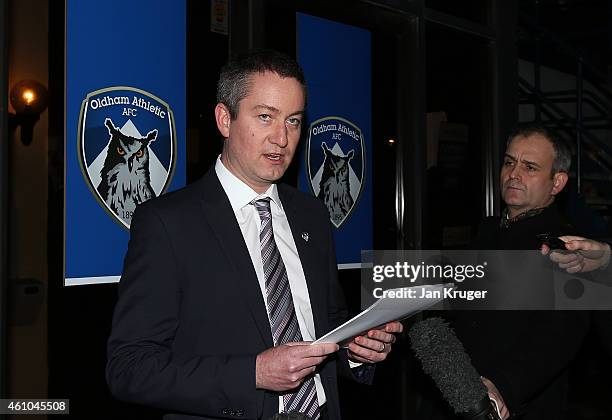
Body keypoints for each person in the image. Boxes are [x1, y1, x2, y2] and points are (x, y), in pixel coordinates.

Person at [106, 50, 402, 420]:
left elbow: (326, 326)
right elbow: (129, 370)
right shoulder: (168, 223)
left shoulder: (312, 215)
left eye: (293, 121)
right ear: (224, 119)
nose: (281, 138)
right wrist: (254, 374)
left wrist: (354, 351)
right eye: (266, 117)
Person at [418, 124, 590, 420]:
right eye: (509, 162)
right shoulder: (487, 233)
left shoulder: (567, 247)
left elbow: (559, 338)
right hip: (458, 398)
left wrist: (504, 386)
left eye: (530, 167)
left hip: (514, 406)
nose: (514, 174)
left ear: (557, 182)